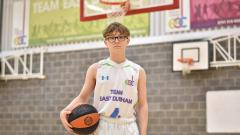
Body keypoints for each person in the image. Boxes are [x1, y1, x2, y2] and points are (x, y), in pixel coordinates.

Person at [60, 22, 148, 135]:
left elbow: (142, 105)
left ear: (128, 41)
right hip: (102, 127)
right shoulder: (96, 68)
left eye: (121, 37)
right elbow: (82, 97)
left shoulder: (138, 71)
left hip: (129, 127)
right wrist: (65, 110)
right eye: (112, 37)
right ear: (105, 42)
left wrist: (144, 132)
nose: (116, 41)